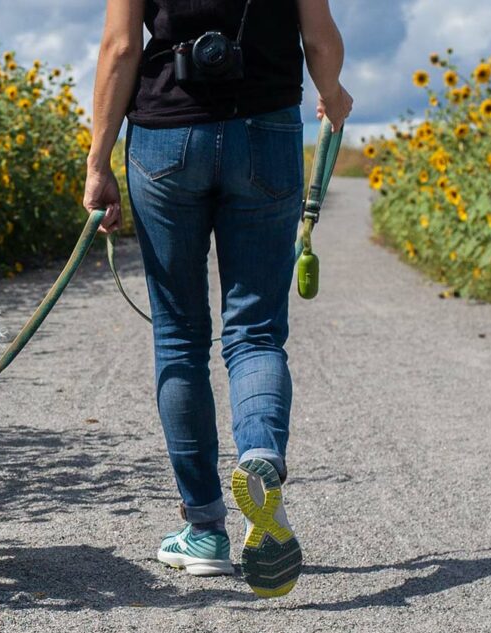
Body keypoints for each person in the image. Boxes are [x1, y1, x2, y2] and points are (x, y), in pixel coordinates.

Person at [84, 0, 352, 598]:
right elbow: (320, 36)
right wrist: (333, 93)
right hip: (268, 129)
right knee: (256, 332)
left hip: (164, 137)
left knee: (179, 336)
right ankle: (259, 451)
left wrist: (98, 161)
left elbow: (121, 48)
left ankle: (204, 527)